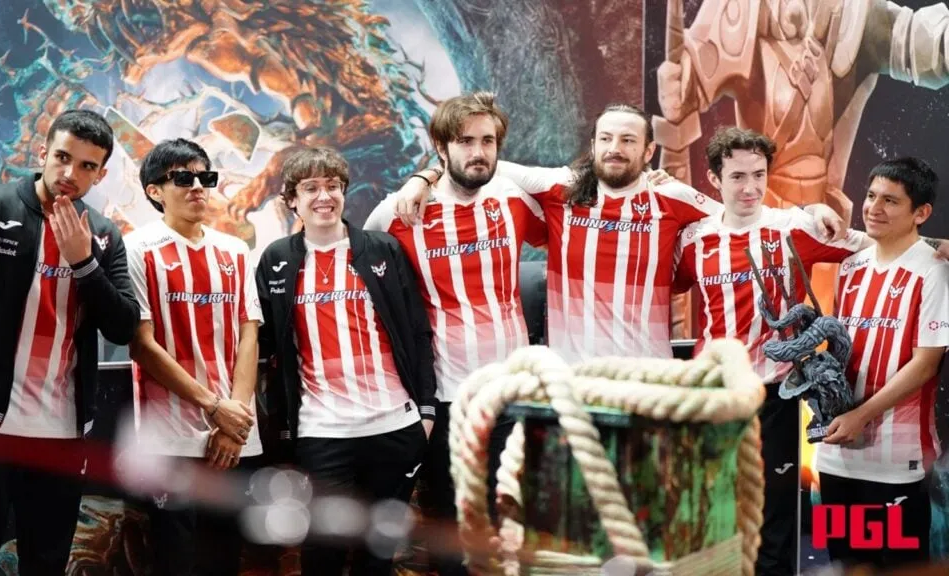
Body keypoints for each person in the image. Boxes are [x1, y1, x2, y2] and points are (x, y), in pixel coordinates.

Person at [392, 103, 845, 363]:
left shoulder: (672, 197)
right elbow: (477, 164)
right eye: (606, 139)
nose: (615, 148)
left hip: (648, 382)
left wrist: (808, 210)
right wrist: (424, 177)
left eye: (628, 140)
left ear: (648, 151)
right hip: (573, 385)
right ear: (592, 145)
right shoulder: (560, 188)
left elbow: (746, 215)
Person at [0, 108, 139, 575]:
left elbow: (123, 327)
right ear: (43, 153)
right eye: (62, 157)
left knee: (47, 563)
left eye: (87, 165)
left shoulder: (103, 236)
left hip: (61, 436)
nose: (70, 173)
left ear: (101, 175)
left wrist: (84, 263)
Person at [364, 92, 548, 575]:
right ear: (441, 147)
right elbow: (361, 274)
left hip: (511, 391)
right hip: (447, 397)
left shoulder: (514, 197)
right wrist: (423, 179)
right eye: (465, 141)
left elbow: (577, 198)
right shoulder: (398, 212)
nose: (478, 152)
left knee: (513, 519)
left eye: (488, 141)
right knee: (453, 525)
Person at [671, 127, 869, 575]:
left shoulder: (794, 228)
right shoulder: (694, 240)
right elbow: (664, 280)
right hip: (716, 392)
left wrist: (938, 249)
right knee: (715, 509)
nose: (750, 188)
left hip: (775, 394)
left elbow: (873, 245)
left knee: (776, 513)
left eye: (759, 175)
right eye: (737, 176)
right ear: (714, 179)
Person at [256, 146, 434, 576]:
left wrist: (425, 414)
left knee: (378, 554)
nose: (324, 196)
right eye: (311, 188)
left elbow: (417, 331)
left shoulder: (382, 250)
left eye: (333, 186)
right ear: (291, 200)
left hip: (395, 425)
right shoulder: (277, 259)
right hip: (323, 431)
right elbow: (265, 347)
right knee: (323, 553)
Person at [125, 138, 263, 575]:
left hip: (234, 433)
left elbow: (249, 333)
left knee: (225, 557)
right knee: (176, 560)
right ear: (154, 191)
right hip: (169, 438)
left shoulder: (235, 250)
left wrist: (234, 420)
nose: (198, 187)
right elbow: (141, 344)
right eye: (183, 178)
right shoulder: (137, 248)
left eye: (206, 177)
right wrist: (215, 407)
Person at [815, 157, 949, 570]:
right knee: (845, 566)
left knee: (896, 570)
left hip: (896, 462)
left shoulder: (935, 272)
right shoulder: (850, 267)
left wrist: (861, 416)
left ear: (921, 213)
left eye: (890, 201)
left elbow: (925, 365)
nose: (874, 208)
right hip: (836, 456)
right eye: (871, 196)